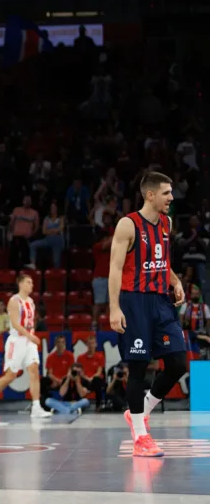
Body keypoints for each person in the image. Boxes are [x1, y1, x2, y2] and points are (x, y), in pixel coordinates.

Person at [109, 171, 187, 458]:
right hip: (134, 302)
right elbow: (114, 269)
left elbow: (161, 261)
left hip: (161, 301)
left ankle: (139, 412)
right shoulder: (127, 225)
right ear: (150, 195)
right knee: (139, 369)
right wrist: (114, 308)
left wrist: (175, 281)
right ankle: (141, 437)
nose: (171, 197)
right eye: (167, 193)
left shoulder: (166, 223)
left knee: (178, 362)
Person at [0, 273, 53, 418]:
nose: (31, 285)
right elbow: (15, 323)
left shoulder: (31, 302)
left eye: (32, 282)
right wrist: (30, 336)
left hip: (29, 341)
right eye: (28, 282)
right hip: (17, 341)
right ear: (20, 284)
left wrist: (31, 334)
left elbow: (30, 321)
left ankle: (36, 407)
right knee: (11, 375)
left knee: (34, 370)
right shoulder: (14, 301)